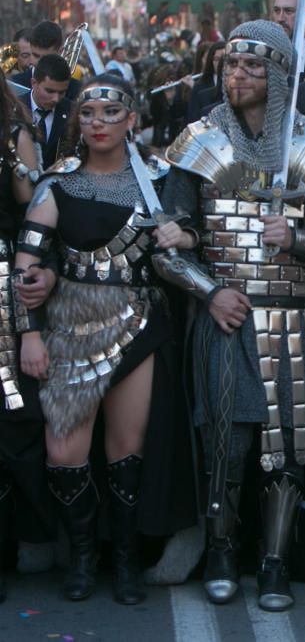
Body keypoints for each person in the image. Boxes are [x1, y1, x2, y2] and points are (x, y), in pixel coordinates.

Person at [162, 20, 305, 611]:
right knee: (228, 439)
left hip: (291, 316)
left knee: (288, 447)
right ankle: (222, 550)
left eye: (250, 66)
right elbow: (170, 243)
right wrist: (208, 291)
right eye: (229, 65)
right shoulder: (197, 140)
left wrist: (296, 235)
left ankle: (275, 561)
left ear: (277, 75)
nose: (236, 75)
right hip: (226, 311)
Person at [15, 74, 195, 606]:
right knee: (63, 450)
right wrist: (31, 334)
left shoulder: (159, 180)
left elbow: (194, 240)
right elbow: (26, 267)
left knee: (127, 451)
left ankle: (124, 561)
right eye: (88, 113)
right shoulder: (58, 184)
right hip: (70, 322)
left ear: (131, 120)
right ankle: (83, 554)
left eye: (110, 113)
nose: (97, 123)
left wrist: (183, 234)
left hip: (137, 321)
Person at [0, 76, 55, 601]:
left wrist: (17, 155)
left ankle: (18, 540)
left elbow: (29, 203)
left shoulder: (14, 129)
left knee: (11, 411)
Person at [10, 22, 81, 100]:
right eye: (36, 55)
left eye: (46, 58)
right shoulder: (13, 84)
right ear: (31, 48)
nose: (40, 63)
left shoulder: (76, 90)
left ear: (60, 52)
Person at [24, 55, 72, 166]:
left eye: (62, 92)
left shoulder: (73, 112)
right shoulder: (13, 109)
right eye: (50, 91)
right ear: (34, 83)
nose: (56, 99)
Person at [187, 40, 224, 122]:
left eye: (224, 59)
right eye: (217, 59)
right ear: (211, 61)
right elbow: (193, 119)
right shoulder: (199, 86)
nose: (221, 63)